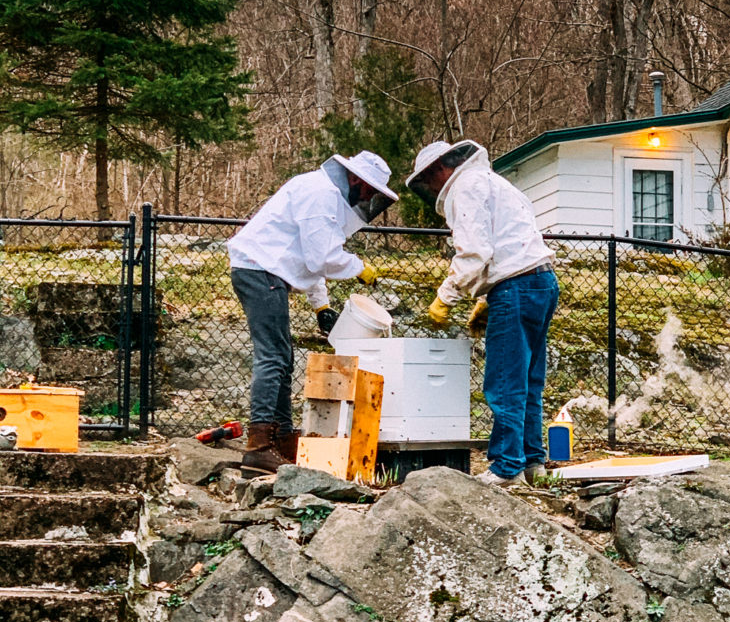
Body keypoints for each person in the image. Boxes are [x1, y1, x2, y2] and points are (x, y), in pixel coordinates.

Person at [228, 150, 398, 476]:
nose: (368, 196)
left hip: (265, 273)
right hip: (260, 272)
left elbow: (309, 257)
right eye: (369, 189)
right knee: (273, 357)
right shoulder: (321, 194)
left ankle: (282, 439)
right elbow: (322, 257)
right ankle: (259, 446)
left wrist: (321, 304)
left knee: (283, 356)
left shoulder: (324, 195)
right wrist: (359, 267)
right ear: (355, 179)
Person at [406, 139, 558, 488]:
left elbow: (475, 251)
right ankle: (533, 462)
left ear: (438, 170)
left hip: (516, 287)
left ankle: (506, 467)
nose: (430, 188)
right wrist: (488, 297)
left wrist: (447, 295)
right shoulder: (496, 183)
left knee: (505, 381)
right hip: (542, 282)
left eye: (428, 181)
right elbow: (511, 242)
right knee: (529, 380)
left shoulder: (465, 187)